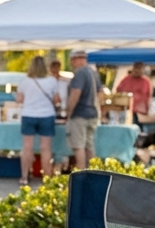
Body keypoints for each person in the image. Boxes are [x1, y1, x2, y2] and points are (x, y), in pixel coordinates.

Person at [15, 55, 62, 185]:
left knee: (27, 148)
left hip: (28, 115)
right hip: (47, 116)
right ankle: (46, 177)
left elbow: (19, 99)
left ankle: (24, 176)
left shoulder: (24, 81)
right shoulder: (52, 80)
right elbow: (56, 99)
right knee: (45, 148)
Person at [65, 49, 102, 170]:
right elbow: (101, 93)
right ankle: (93, 173)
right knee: (89, 146)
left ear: (75, 60)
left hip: (80, 114)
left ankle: (81, 174)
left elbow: (76, 92)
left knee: (78, 146)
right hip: (92, 114)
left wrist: (69, 111)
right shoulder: (93, 72)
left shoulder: (80, 73)